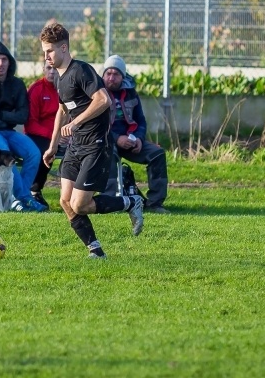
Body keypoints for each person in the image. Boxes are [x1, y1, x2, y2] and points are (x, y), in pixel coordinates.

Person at [40, 21, 144, 259]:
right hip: (75, 145)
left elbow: (103, 100)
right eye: (44, 51)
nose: (46, 56)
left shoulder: (81, 71)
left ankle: (130, 202)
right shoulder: (59, 77)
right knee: (65, 201)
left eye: (50, 51)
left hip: (96, 145)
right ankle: (95, 250)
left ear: (64, 48)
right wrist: (53, 145)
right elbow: (62, 110)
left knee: (80, 205)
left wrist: (76, 123)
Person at [0, 41, 47, 212]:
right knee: (5, 154)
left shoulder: (17, 84)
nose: (0, 64)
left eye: (4, 60)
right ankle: (24, 199)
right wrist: (8, 118)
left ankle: (20, 197)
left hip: (9, 131)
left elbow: (22, 116)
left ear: (9, 62)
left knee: (34, 153)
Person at [101, 54, 169, 214]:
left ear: (123, 76)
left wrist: (138, 138)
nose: (111, 78)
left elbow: (141, 120)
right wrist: (117, 139)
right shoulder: (97, 93)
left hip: (131, 140)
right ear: (103, 75)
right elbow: (97, 125)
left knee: (157, 154)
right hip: (107, 140)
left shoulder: (131, 93)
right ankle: (109, 201)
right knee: (108, 152)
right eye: (108, 73)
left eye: (116, 74)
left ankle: (155, 203)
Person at [24, 60, 66, 209]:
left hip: (64, 135)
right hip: (39, 135)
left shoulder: (66, 88)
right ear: (43, 69)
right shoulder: (36, 89)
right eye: (49, 68)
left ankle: (77, 194)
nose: (52, 72)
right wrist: (53, 136)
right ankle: (35, 190)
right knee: (46, 151)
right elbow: (30, 124)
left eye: (55, 68)